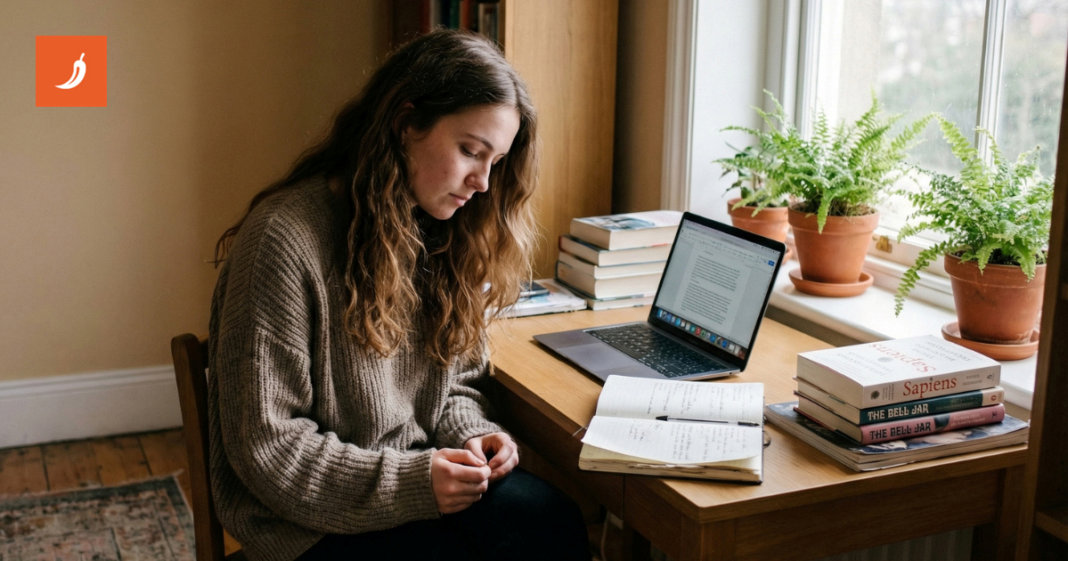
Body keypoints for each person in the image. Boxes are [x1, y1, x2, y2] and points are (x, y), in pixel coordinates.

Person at [207, 30, 590, 561]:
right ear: (406, 122)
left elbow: (456, 381)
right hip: (305, 524)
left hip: (414, 475)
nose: (482, 182)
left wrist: (472, 434)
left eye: (495, 162)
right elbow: (269, 449)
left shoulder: (443, 229)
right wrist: (413, 482)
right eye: (470, 151)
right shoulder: (283, 240)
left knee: (551, 521)